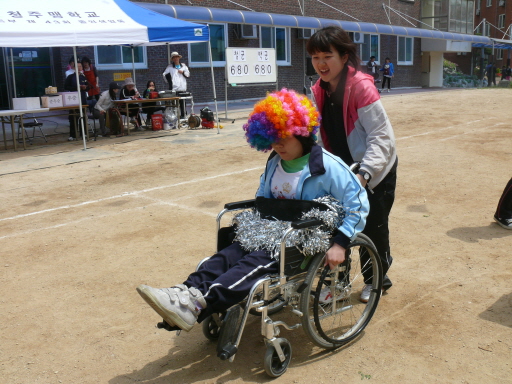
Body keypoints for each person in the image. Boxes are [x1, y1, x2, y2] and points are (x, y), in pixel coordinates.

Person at [136, 89, 369, 332]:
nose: (278, 144)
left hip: (302, 242)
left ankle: (197, 306)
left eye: (285, 136)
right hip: (268, 232)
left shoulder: (329, 167)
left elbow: (358, 203)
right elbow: (263, 199)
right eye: (273, 137)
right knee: (227, 255)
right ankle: (183, 293)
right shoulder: (274, 162)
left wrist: (341, 243)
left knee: (251, 264)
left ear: (302, 131)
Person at [307, 25, 397, 302]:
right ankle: (338, 283)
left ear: (344, 57)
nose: (321, 64)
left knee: (373, 227)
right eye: (315, 57)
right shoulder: (318, 89)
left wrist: (365, 174)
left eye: (327, 56)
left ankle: (376, 281)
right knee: (334, 226)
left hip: (375, 170)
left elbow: (382, 139)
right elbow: (318, 134)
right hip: (342, 170)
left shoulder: (361, 87)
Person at [64, 62, 89, 141]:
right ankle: (73, 135)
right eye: (77, 66)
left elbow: (89, 87)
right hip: (73, 98)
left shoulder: (83, 77)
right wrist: (76, 87)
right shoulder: (70, 77)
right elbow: (66, 86)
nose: (79, 68)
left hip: (82, 98)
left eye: (80, 66)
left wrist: (85, 87)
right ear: (74, 68)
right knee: (73, 117)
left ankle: (84, 133)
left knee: (83, 116)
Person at [162, 51, 190, 119]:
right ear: (172, 59)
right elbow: (164, 75)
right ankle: (175, 118)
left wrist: (183, 72)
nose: (176, 59)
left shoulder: (183, 66)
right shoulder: (170, 67)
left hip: (182, 89)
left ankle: (183, 116)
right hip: (174, 89)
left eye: (176, 57)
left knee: (183, 104)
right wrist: (170, 82)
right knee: (174, 104)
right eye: (174, 58)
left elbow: (188, 74)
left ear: (179, 58)